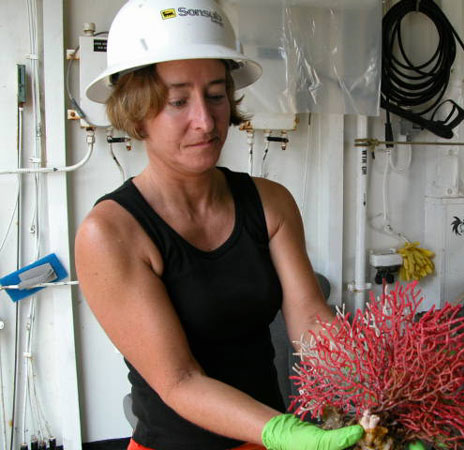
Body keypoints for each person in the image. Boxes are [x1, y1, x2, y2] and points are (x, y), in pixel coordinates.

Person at [75, 0, 364, 449]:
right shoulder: (111, 233)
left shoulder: (270, 203)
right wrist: (280, 431)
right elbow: (180, 379)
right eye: (177, 101)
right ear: (136, 112)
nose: (206, 121)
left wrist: (386, 387)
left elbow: (310, 321)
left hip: (267, 439)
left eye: (215, 95)